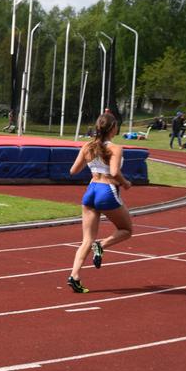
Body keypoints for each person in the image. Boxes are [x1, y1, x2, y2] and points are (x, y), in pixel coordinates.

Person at [66, 113, 134, 293]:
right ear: (112, 128)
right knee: (127, 230)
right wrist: (125, 182)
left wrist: (93, 168)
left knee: (86, 240)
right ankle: (101, 245)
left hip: (91, 191)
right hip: (107, 191)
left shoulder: (87, 146)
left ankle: (74, 275)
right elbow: (114, 171)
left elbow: (73, 170)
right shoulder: (116, 148)